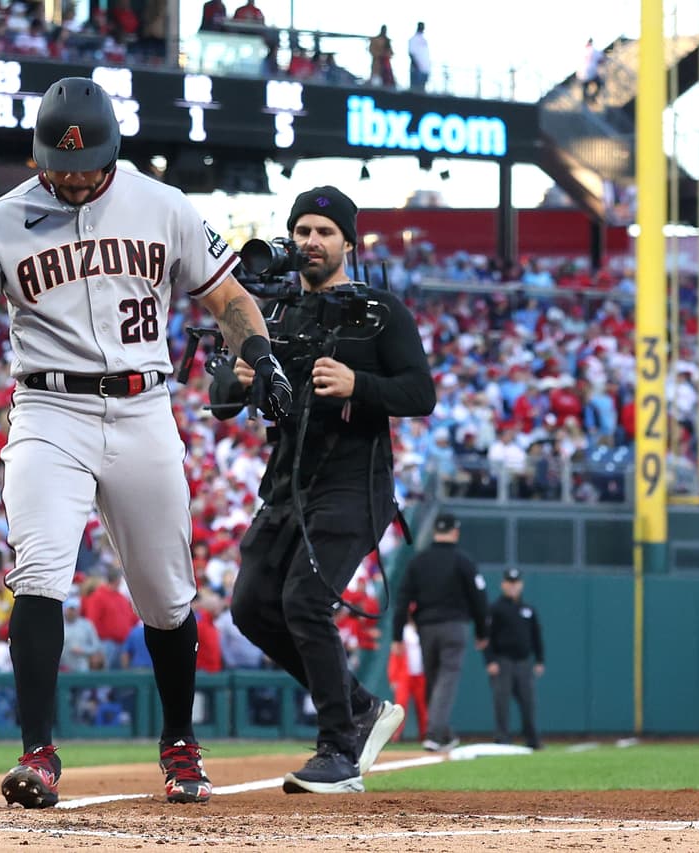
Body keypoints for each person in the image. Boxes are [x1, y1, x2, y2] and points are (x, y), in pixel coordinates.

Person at [0, 76, 290, 808]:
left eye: (87, 161)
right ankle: (37, 753)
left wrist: (259, 353)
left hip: (144, 408)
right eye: (60, 162)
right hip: (49, 409)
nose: (73, 175)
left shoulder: (160, 204)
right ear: (39, 154)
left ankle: (178, 741)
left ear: (114, 150)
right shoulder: (3, 220)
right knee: (39, 568)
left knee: (167, 595)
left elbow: (230, 298)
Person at [210, 185, 436, 794]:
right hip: (287, 485)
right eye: (302, 230)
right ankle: (359, 708)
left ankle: (339, 750)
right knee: (253, 607)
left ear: (347, 242)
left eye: (324, 232)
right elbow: (222, 405)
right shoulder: (273, 315)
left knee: (305, 601)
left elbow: (421, 393)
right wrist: (237, 378)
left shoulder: (380, 311)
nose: (310, 242)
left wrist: (359, 383)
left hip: (353, 484)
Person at [391, 513, 489, 752]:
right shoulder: (463, 560)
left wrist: (396, 636)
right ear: (455, 532)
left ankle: (442, 733)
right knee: (445, 679)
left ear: (435, 531)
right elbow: (479, 599)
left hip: (426, 628)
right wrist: (482, 631)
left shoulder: (419, 561)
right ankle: (434, 733)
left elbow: (402, 600)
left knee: (434, 679)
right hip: (454, 627)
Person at [485, 567, 544, 749]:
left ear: (521, 584)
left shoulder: (528, 609)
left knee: (528, 701)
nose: (513, 587)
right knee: (501, 701)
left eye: (516, 583)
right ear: (503, 584)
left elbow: (536, 636)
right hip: (503, 661)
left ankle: (532, 739)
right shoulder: (495, 608)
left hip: (524, 661)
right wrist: (490, 660)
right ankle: (502, 738)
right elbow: (486, 637)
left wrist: (540, 659)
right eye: (509, 583)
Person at [407, 22, 430, 91]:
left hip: (424, 70)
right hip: (416, 70)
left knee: (422, 90)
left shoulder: (424, 40)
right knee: (415, 91)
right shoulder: (413, 39)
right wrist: (417, 67)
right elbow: (411, 53)